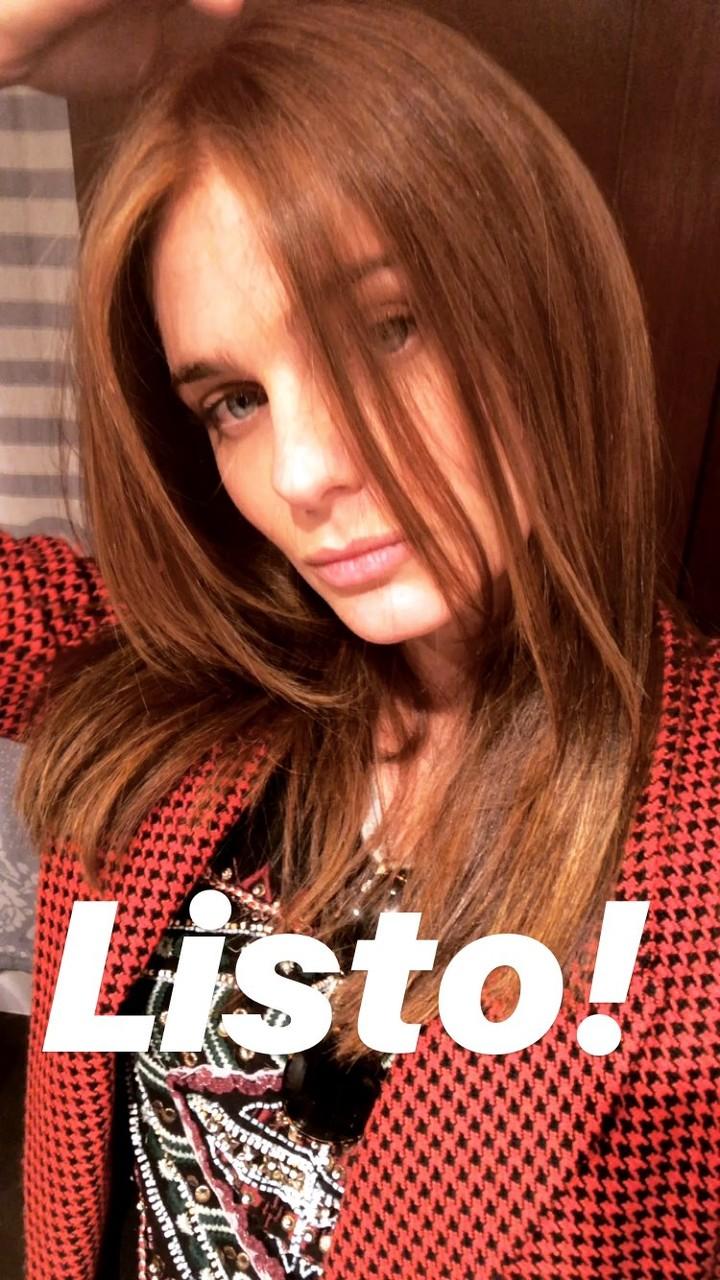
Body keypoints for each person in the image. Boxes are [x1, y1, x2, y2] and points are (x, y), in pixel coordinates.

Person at [1, 1, 718, 1278]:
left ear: (540, 295)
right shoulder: (179, 668)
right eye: (235, 400)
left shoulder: (696, 824)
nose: (304, 470)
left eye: (386, 329)